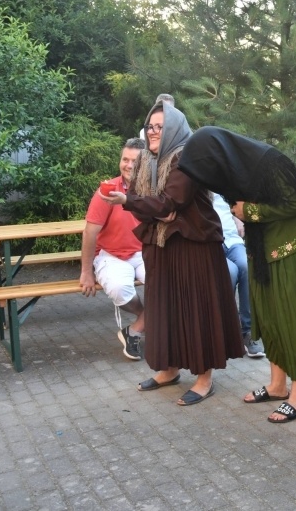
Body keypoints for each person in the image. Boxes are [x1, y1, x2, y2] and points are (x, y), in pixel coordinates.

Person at [178, 126, 296, 422]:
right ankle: (277, 386)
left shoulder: (269, 162)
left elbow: (295, 203)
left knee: (294, 319)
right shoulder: (235, 173)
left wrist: (252, 212)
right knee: (270, 317)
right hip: (265, 249)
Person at [102, 102, 244, 406]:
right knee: (165, 308)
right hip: (163, 246)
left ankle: (204, 378)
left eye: (160, 126)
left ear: (175, 129)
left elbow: (168, 203)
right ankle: (169, 369)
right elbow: (157, 208)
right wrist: (156, 209)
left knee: (196, 310)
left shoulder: (187, 159)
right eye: (150, 126)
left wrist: (135, 202)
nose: (153, 132)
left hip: (195, 247)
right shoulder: (148, 162)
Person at [80, 138, 146, 361]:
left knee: (169, 282)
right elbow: (90, 232)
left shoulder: (153, 188)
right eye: (124, 159)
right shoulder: (107, 190)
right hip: (111, 254)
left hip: (144, 253)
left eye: (134, 161)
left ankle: (135, 330)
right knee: (119, 288)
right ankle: (152, 319)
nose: (127, 165)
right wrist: (86, 272)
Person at [211, 194, 263, 358]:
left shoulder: (223, 183)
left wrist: (237, 218)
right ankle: (228, 331)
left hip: (232, 239)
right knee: (230, 271)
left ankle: (247, 331)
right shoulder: (197, 180)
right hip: (211, 241)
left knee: (247, 266)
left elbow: (237, 204)